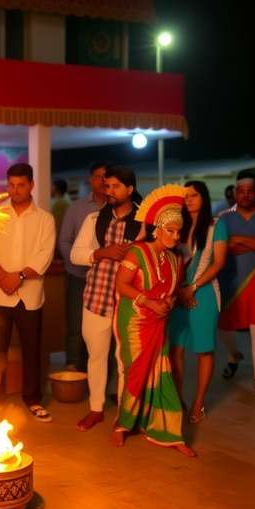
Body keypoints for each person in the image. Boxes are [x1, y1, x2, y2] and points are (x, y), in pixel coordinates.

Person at [112, 184, 195, 457]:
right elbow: (121, 286)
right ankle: (122, 425)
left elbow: (173, 292)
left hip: (160, 321)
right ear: (157, 228)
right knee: (136, 373)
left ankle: (170, 432)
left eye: (178, 231)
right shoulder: (137, 252)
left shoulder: (175, 259)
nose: (175, 236)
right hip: (135, 321)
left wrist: (169, 302)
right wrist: (148, 302)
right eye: (170, 230)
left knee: (163, 373)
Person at [0, 163, 55, 422]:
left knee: (32, 349)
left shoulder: (45, 218)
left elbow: (44, 255)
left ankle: (32, 399)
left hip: (29, 295)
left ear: (31, 185)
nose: (15, 190)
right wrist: (3, 276)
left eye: (21, 185)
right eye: (11, 184)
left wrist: (19, 276)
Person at [70, 165, 143, 430]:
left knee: (125, 361)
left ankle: (125, 415)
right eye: (106, 185)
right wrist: (103, 252)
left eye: (115, 186)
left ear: (130, 189)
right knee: (96, 357)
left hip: (130, 303)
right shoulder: (94, 220)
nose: (108, 190)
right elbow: (76, 254)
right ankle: (96, 408)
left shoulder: (144, 223)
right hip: (96, 299)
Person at [168, 181, 228, 423]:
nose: (189, 199)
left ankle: (199, 403)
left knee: (204, 349)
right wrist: (180, 290)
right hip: (177, 293)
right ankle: (177, 398)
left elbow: (219, 262)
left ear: (203, 197)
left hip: (203, 293)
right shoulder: (177, 226)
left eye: (194, 195)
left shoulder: (216, 225)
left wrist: (192, 287)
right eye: (186, 196)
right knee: (175, 350)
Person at [217, 170, 255, 396]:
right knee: (224, 327)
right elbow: (224, 248)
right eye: (240, 191)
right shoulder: (224, 217)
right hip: (230, 279)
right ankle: (234, 355)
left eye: (249, 191)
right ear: (235, 192)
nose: (245, 195)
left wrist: (240, 240)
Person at [58, 162, 108, 373]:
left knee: (105, 329)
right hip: (79, 277)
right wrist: (77, 264)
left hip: (108, 280)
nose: (102, 181)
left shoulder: (117, 207)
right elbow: (64, 241)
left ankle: (102, 377)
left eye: (106, 177)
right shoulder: (76, 208)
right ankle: (73, 372)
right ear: (90, 180)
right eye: (98, 176)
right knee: (76, 327)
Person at [50, 178, 71, 249]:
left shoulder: (60, 203)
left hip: (59, 239)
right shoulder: (65, 200)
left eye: (51, 186)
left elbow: (56, 224)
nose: (50, 188)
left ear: (55, 188)